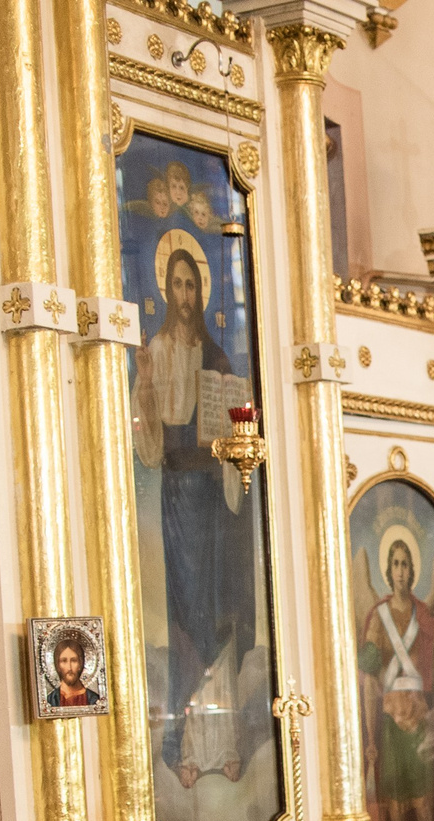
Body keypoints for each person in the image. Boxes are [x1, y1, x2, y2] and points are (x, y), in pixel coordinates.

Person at [134, 242, 251, 789]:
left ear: (200, 292)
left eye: (191, 286)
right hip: (178, 496)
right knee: (187, 612)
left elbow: (234, 431)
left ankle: (221, 741)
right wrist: (145, 383)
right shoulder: (156, 351)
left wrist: (233, 424)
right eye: (176, 285)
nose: (184, 295)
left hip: (211, 496)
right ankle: (181, 742)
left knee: (216, 607)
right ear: (167, 290)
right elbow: (150, 443)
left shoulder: (216, 357)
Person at [358, 536, 434, 821]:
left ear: (412, 570)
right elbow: (367, 677)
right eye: (394, 563)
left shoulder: (423, 615)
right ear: (388, 570)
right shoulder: (378, 617)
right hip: (391, 731)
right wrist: (369, 738)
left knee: (425, 817)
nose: (400, 571)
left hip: (420, 725)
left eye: (405, 564)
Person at [45, 633, 98, 709]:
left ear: (80, 663)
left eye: (74, 661)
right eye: (64, 661)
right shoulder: (50, 701)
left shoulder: (94, 700)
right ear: (57, 665)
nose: (69, 668)